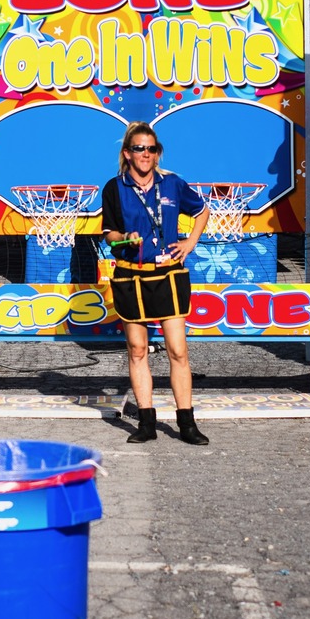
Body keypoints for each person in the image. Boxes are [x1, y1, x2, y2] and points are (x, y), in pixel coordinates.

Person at [99, 122, 211, 446]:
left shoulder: (172, 184)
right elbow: (109, 234)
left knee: (178, 350)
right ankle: (146, 423)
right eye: (139, 148)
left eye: (151, 148)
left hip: (168, 274)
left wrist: (190, 242)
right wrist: (124, 237)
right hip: (131, 275)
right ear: (127, 153)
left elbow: (202, 211)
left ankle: (186, 423)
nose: (145, 154)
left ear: (157, 153)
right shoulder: (114, 187)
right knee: (137, 350)